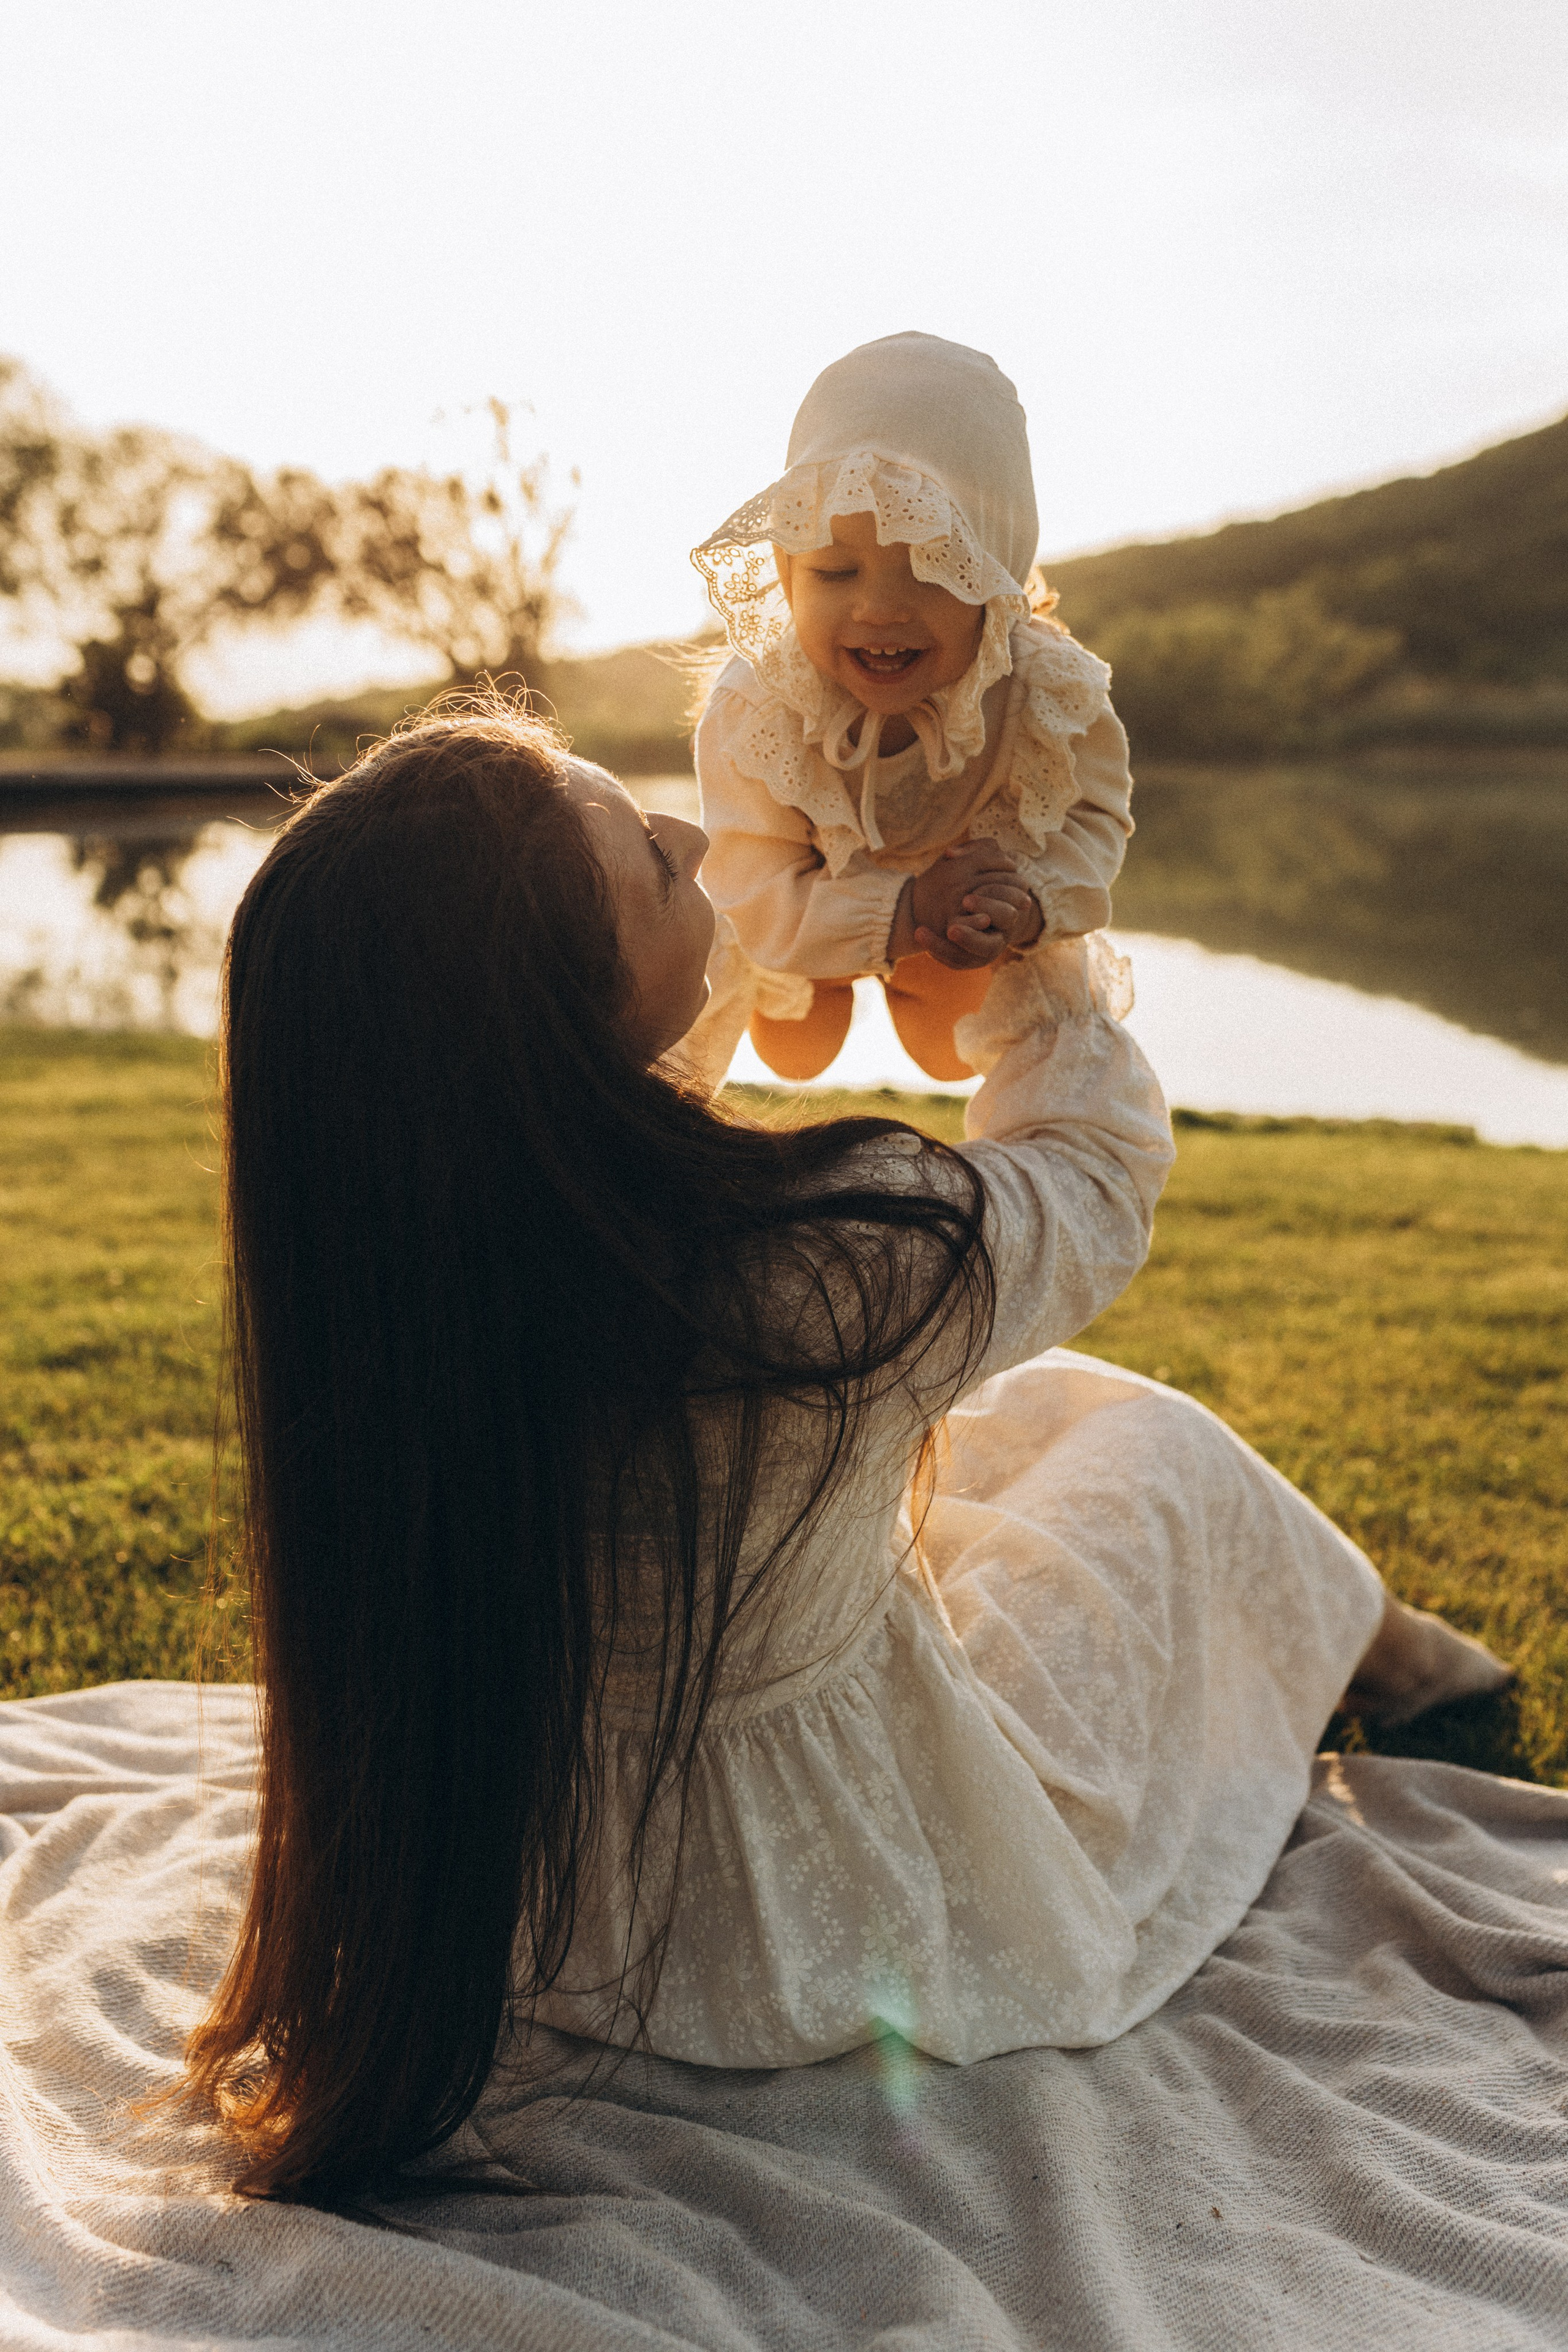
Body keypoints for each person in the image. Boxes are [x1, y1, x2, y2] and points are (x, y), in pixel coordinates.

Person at [186, 700, 1509, 2206]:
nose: (687, 832)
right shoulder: (809, 1270)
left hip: (529, 1912)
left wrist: (824, 897)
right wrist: (1028, 971)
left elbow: (623, 1038)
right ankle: (1381, 1647)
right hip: (836, 1913)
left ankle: (1370, 1633)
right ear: (558, 1003)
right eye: (643, 850)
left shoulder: (393, 1264)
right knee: (1144, 1445)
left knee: (1015, 1407)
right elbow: (1085, 1175)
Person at [685, 330, 1134, 1085]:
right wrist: (895, 909)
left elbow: (1095, 821)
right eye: (833, 571)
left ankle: (922, 979)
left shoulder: (1048, 692)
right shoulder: (757, 706)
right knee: (795, 1051)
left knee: (953, 1048)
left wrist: (1024, 905)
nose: (879, 610)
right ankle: (831, 975)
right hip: (809, 897)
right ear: (787, 570)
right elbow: (747, 882)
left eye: (930, 571)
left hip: (956, 914)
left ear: (995, 575)